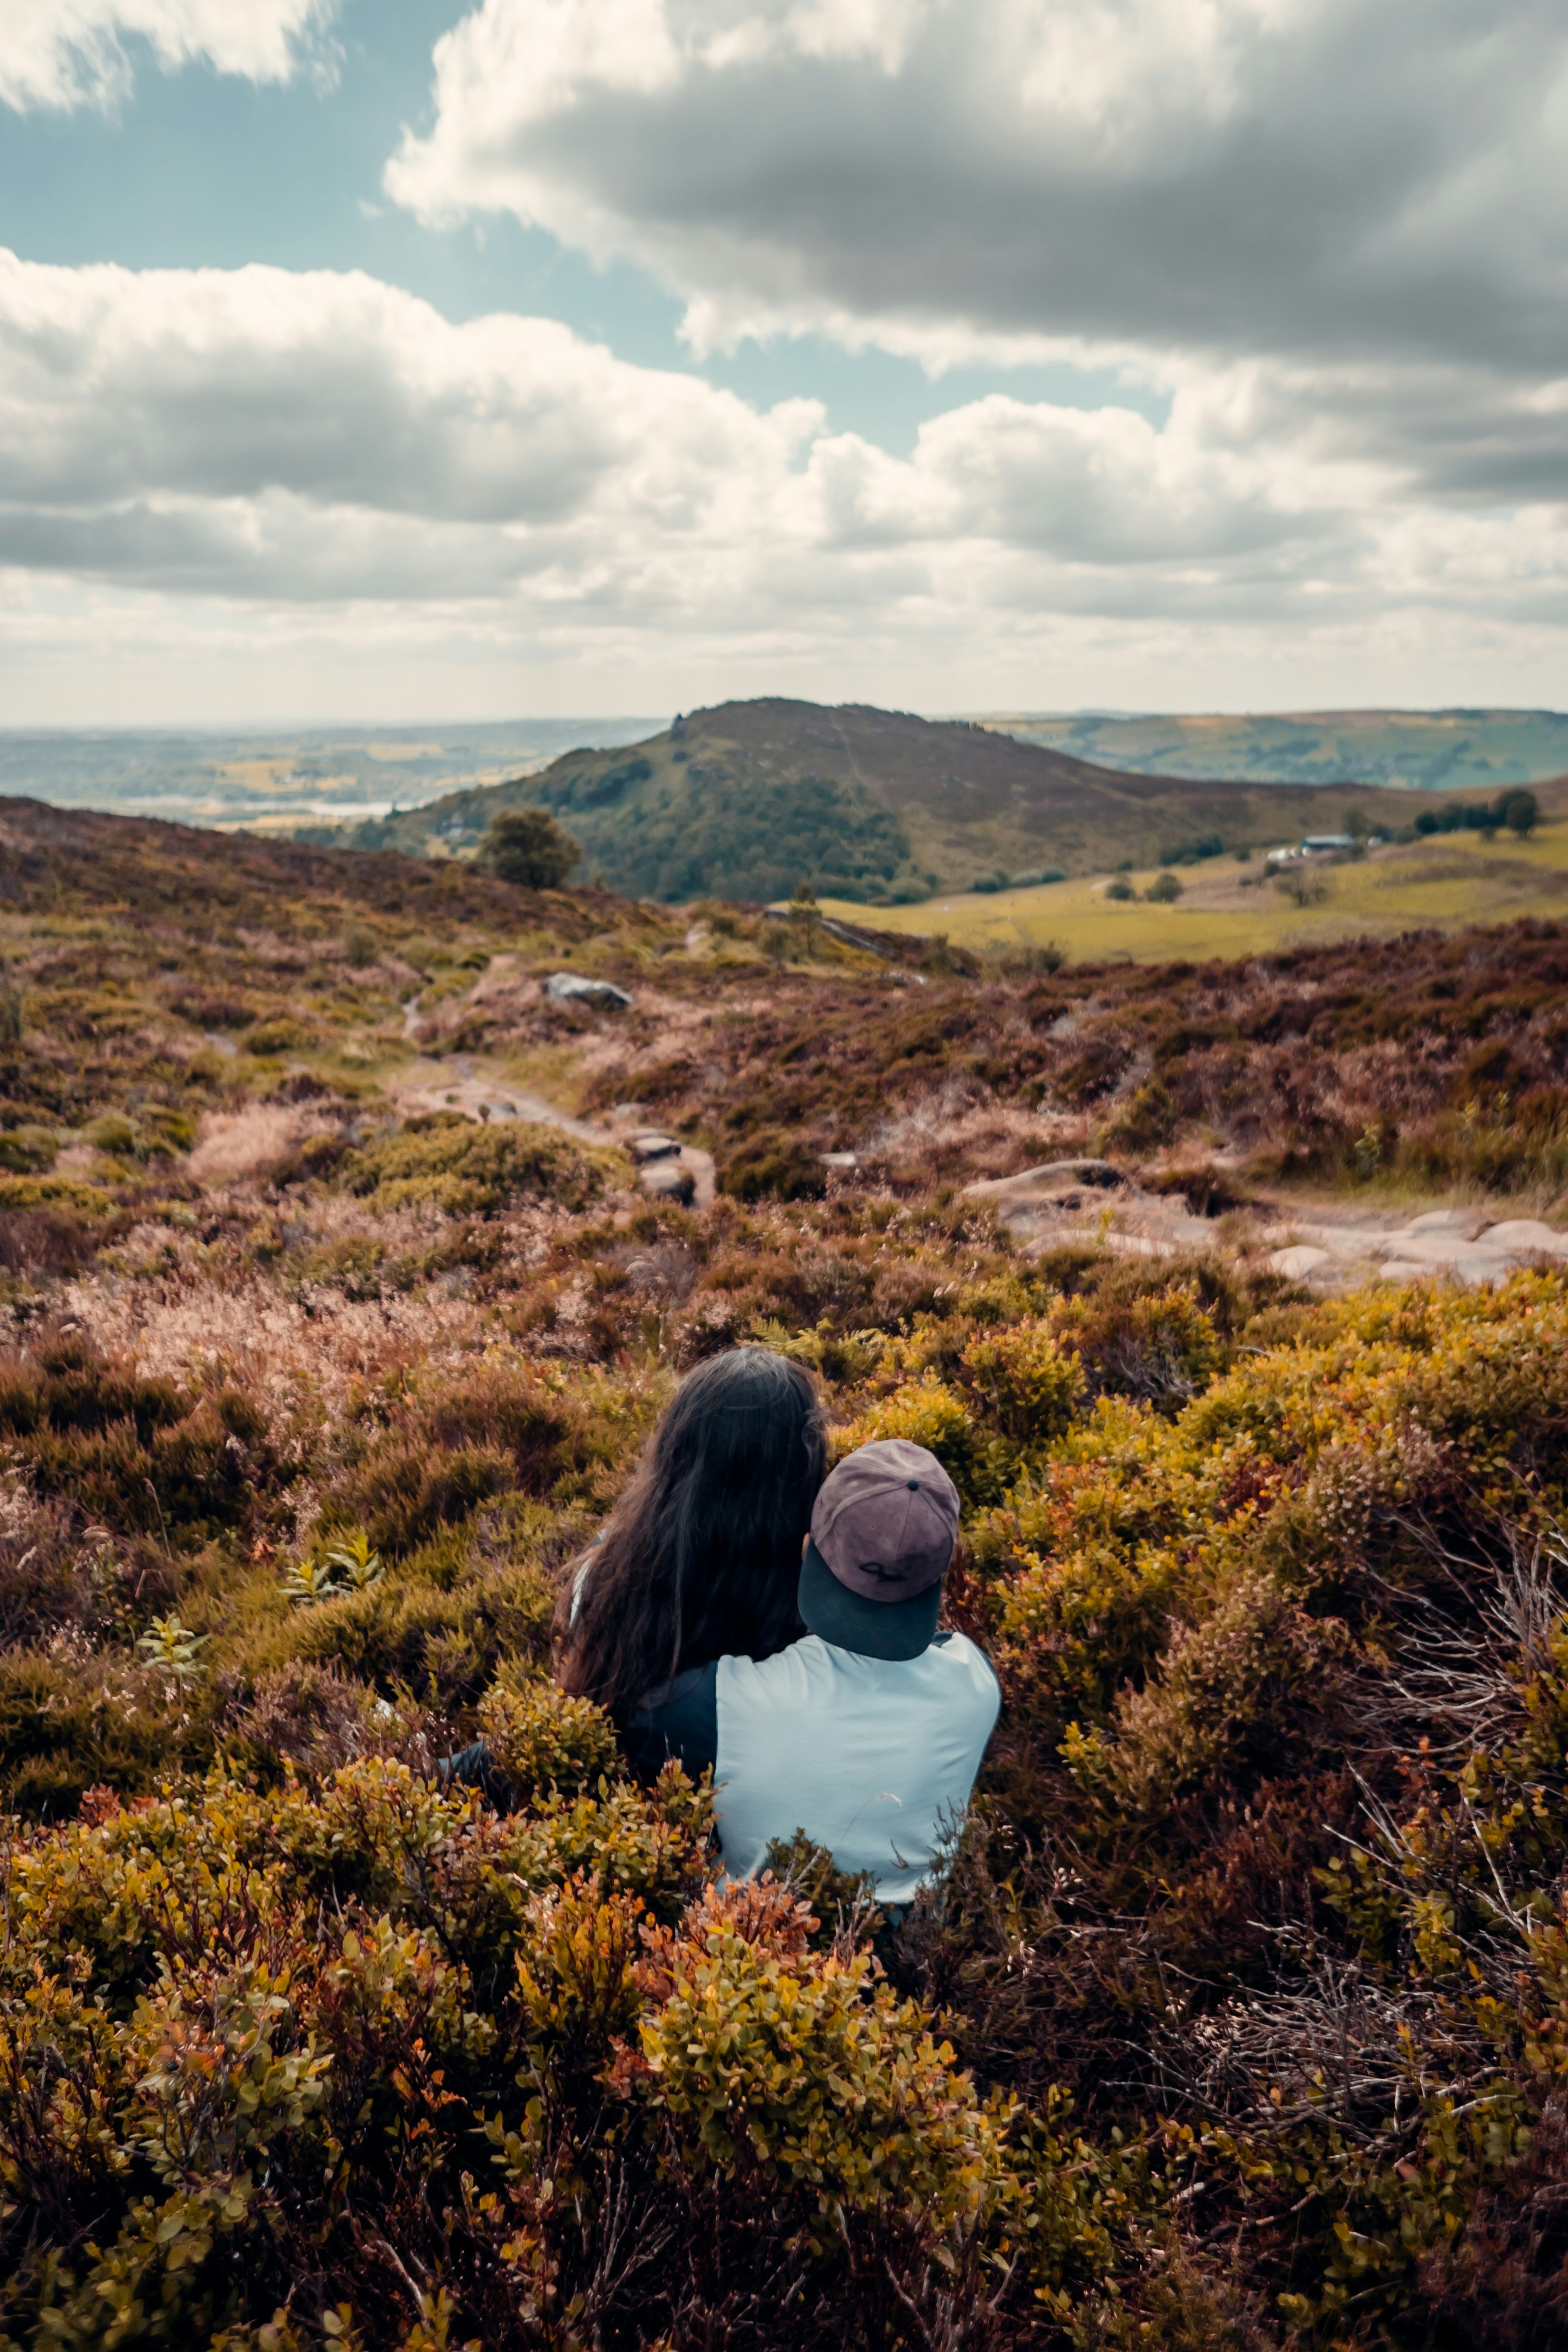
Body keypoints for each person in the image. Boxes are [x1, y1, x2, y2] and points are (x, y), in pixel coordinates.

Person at [624, 1437, 1000, 1901]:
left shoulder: (717, 1708)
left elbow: (642, 1718)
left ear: (807, 1550)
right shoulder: (978, 1682)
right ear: (938, 1578)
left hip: (758, 1958)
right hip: (923, 1949)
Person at [443, 1346, 827, 1797]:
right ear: (800, 1471)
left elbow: (587, 1711)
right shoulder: (820, 1596)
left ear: (675, 1451)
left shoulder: (610, 1567)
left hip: (609, 1798)